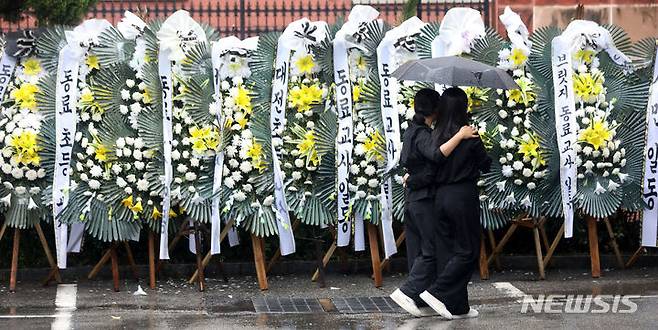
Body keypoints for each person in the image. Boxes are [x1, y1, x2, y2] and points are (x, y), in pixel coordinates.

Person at [404, 87, 491, 320]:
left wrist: (411, 178)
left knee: (448, 252)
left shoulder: (435, 135)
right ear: (464, 108)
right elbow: (485, 164)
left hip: (439, 198)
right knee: (468, 250)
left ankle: (458, 306)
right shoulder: (468, 135)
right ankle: (437, 292)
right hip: (462, 196)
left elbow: (429, 165)